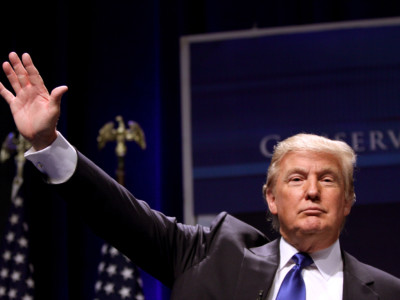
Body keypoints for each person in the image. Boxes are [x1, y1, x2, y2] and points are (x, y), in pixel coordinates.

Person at [1, 52, 400, 299]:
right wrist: (48, 141)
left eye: (328, 180)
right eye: (296, 179)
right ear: (271, 198)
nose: (312, 191)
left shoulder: (385, 292)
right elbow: (116, 215)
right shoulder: (210, 255)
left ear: (348, 201)